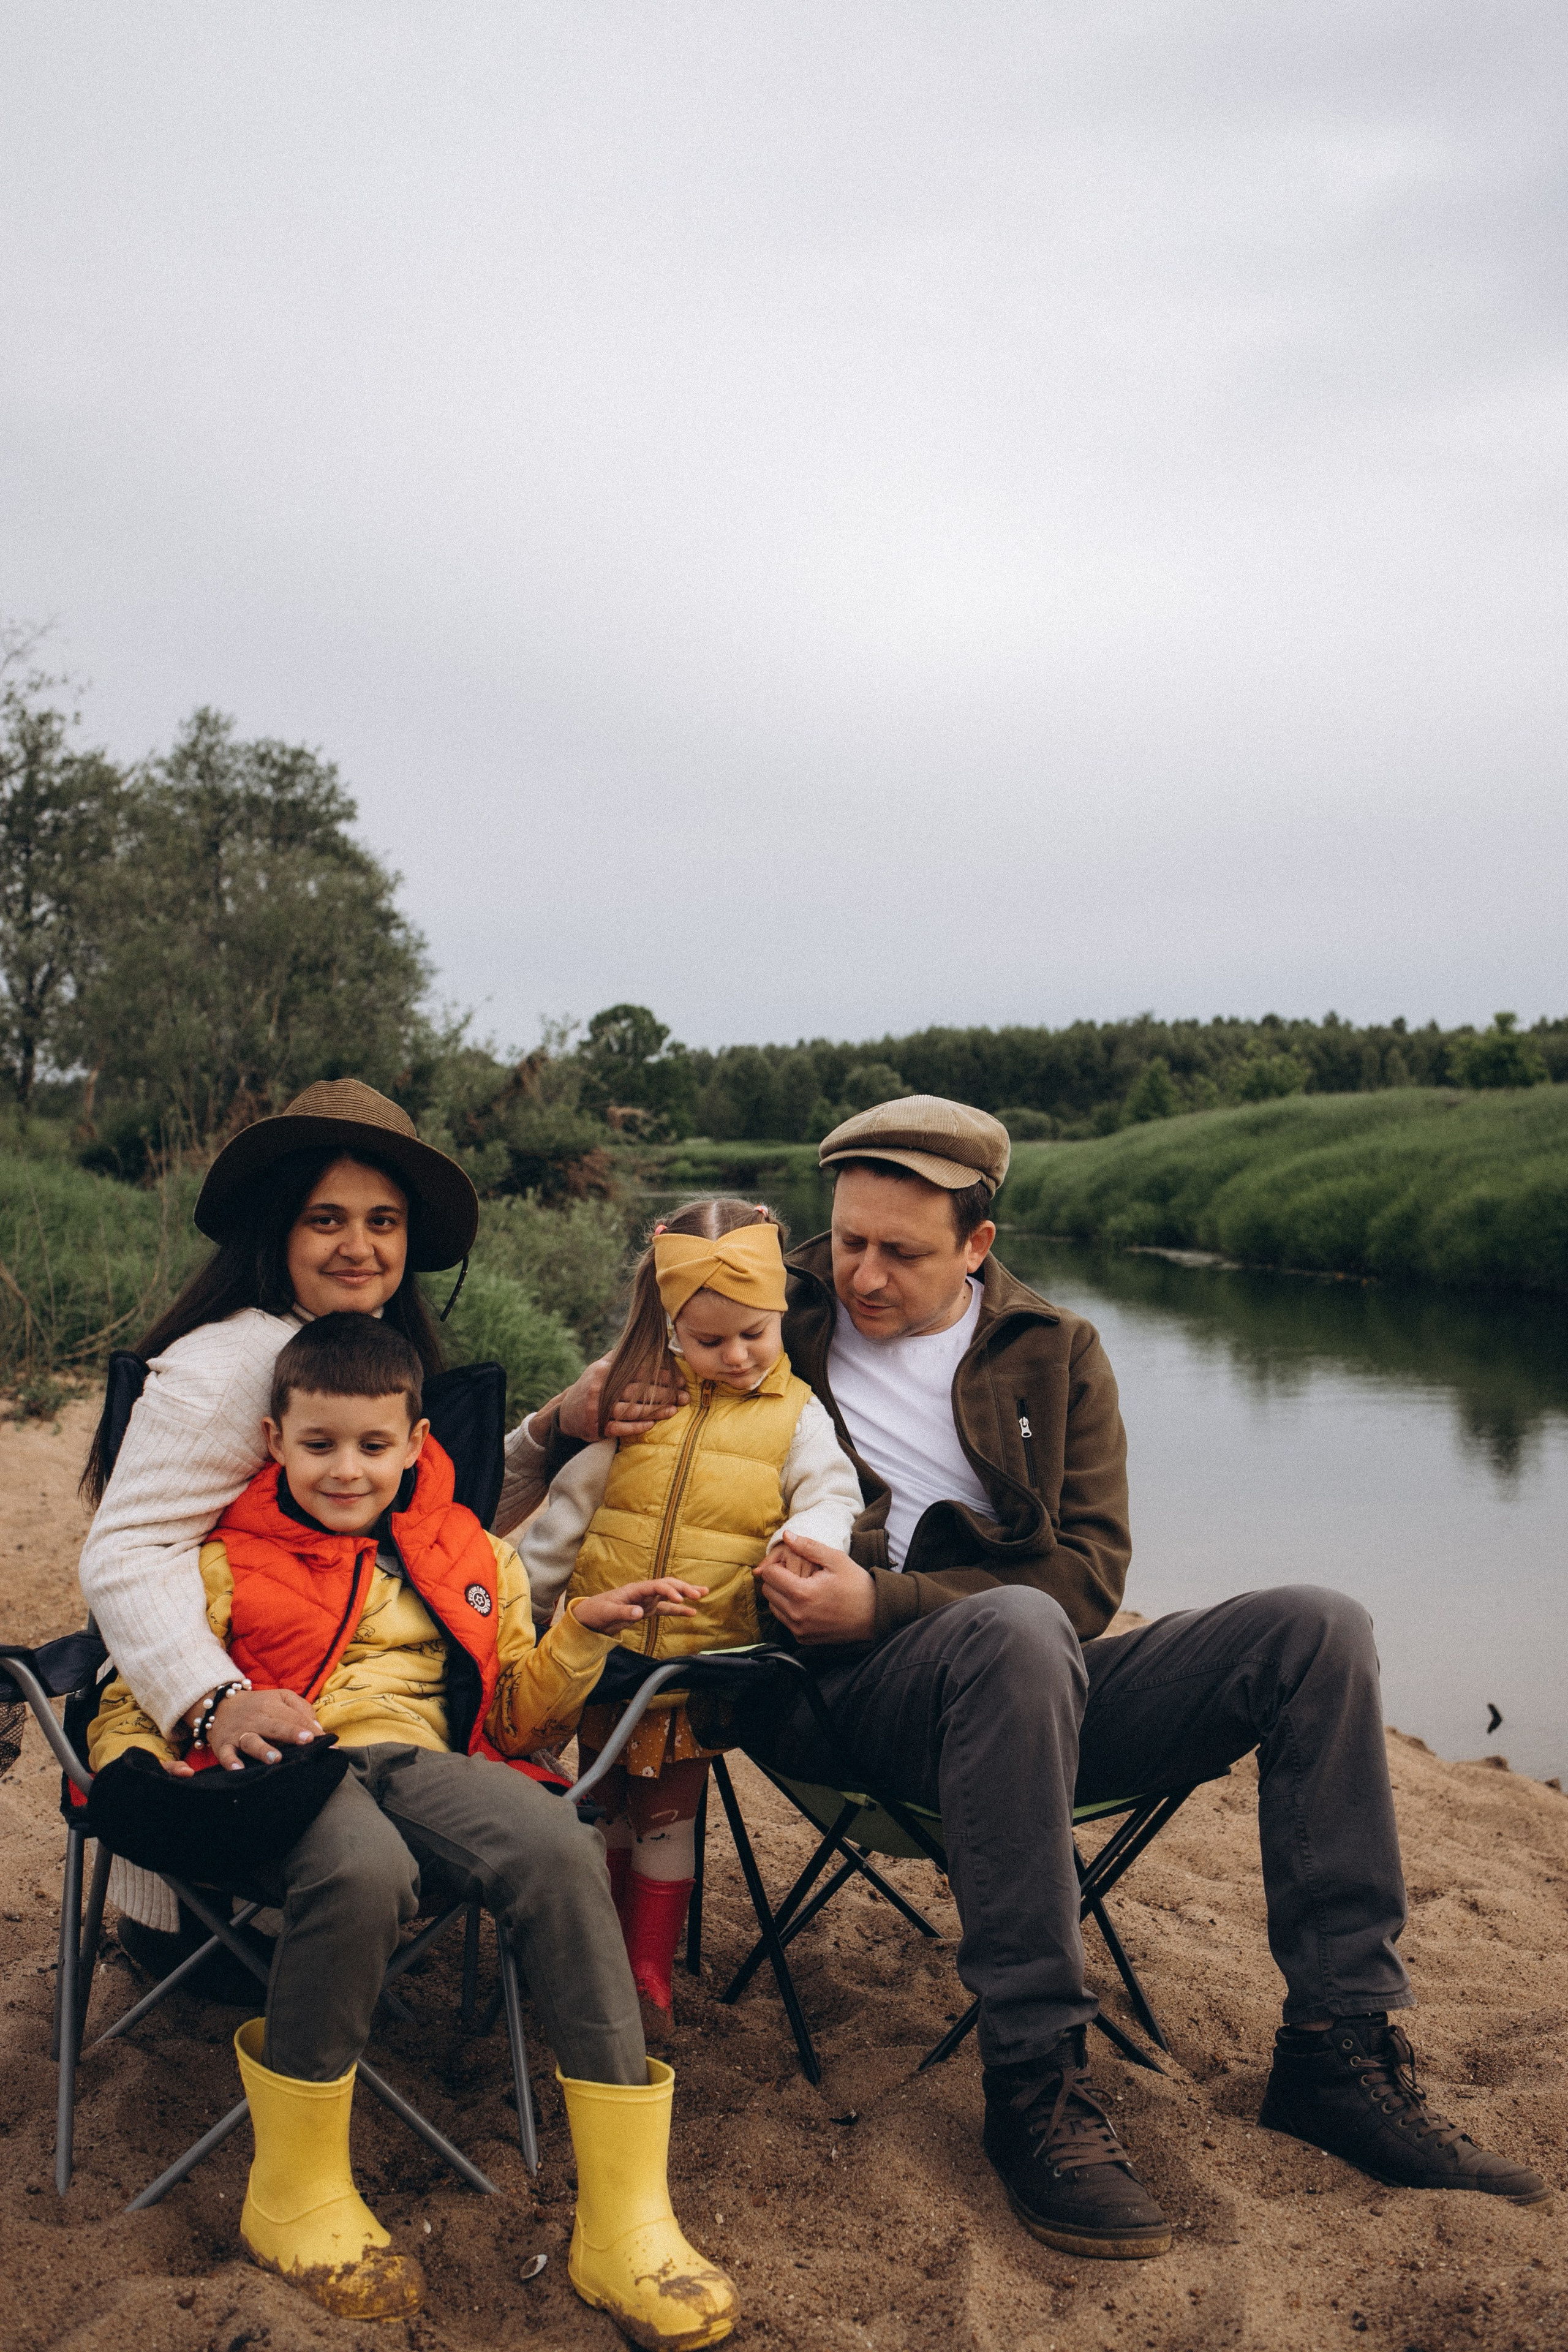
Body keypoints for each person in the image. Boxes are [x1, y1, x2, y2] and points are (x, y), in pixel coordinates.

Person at [729, 1095, 1547, 2260]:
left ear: (977, 1245)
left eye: (901, 1253)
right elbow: (638, 1424)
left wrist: (898, 1594)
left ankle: (1338, 2052)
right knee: (1012, 1625)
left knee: (1316, 1627)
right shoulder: (768, 1317)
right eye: (847, 1240)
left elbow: (1090, 1580)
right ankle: (1034, 2081)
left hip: (1030, 1686)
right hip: (839, 1701)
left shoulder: (1056, 1352)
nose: (862, 1274)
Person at [88, 1311, 739, 2343]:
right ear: (274, 1443)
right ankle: (295, 2191)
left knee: (561, 1845)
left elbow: (518, 1715)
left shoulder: (475, 1554)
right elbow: (142, 1682)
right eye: (319, 1445)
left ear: (416, 1442)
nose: (347, 1471)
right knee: (360, 1868)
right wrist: (153, 1751)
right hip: (286, 1775)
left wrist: (579, 1633)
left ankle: (626, 2214)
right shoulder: (219, 1559)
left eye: (374, 1446)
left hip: (424, 1763)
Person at [517, 1198, 861, 2039]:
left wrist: (806, 1539)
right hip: (604, 1656)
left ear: (781, 1314)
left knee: (670, 1813)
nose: (736, 1355)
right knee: (600, 1809)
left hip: (703, 1661)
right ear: (672, 1327)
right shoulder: (635, 1406)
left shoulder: (796, 1417)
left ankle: (649, 1967)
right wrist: (526, 1608)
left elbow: (833, 1491)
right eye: (711, 1341)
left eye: (755, 1333)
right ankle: (598, 1953)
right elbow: (566, 1512)